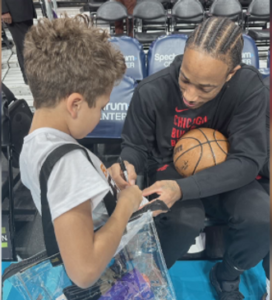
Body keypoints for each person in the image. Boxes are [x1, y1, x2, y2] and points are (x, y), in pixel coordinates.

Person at [109, 17, 270, 300]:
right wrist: (127, 164)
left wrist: (183, 189)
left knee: (263, 217)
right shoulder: (151, 91)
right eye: (185, 78)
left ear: (231, 74)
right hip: (170, 170)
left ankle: (227, 275)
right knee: (185, 221)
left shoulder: (249, 87)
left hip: (228, 170)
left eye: (205, 88)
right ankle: (146, 277)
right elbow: (135, 146)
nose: (190, 95)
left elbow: (247, 160)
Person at [19, 15, 143, 289]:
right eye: (100, 106)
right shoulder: (68, 165)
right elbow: (85, 271)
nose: (101, 115)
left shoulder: (35, 141)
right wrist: (126, 203)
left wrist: (104, 179)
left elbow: (63, 194)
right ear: (75, 104)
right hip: (107, 279)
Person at [1, 0, 36, 83]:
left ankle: (31, 77)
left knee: (26, 44)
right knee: (24, 46)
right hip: (13, 12)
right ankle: (30, 78)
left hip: (25, 10)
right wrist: (3, 10)